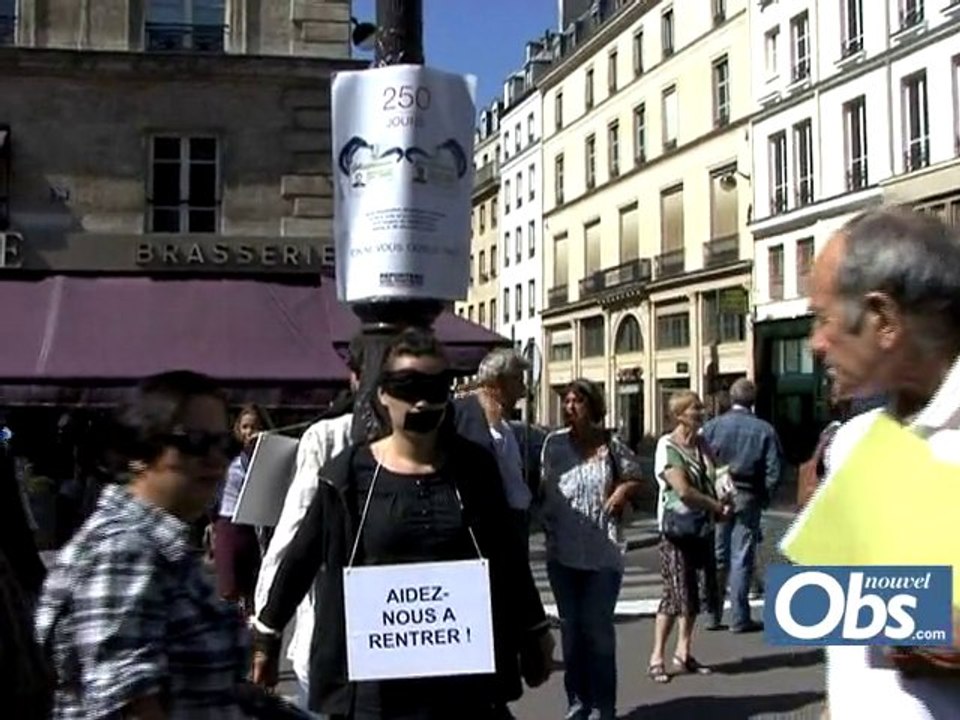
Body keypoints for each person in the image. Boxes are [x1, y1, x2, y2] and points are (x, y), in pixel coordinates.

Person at [251, 328, 554, 720]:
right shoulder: (346, 476)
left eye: (436, 386)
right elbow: (300, 559)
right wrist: (267, 635)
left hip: (463, 684)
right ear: (383, 395)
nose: (423, 400)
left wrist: (534, 631)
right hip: (376, 690)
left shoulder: (475, 468)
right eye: (408, 387)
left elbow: (508, 557)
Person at [808, 207, 960, 718]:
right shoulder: (853, 441)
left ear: (884, 320)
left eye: (825, 319)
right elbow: (823, 616)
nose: (816, 344)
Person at [35, 370, 250, 718]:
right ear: (140, 452)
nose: (216, 460)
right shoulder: (123, 550)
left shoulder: (165, 549)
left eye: (224, 444)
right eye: (194, 442)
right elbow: (129, 705)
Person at [254, 336, 364, 718]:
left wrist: (266, 630)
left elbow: (293, 534)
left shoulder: (329, 435)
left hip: (339, 626)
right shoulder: (329, 435)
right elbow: (295, 536)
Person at [539, 379, 644, 720]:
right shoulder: (552, 445)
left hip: (603, 552)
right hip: (562, 552)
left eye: (577, 401)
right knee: (571, 631)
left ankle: (604, 705)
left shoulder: (611, 444)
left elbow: (636, 476)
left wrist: (621, 491)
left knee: (597, 631)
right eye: (567, 401)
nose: (570, 407)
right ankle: (577, 702)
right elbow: (541, 486)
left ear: (592, 406)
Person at [648, 391, 731, 684]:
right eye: (695, 408)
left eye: (700, 407)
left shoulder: (702, 443)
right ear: (680, 414)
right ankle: (657, 656)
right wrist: (714, 505)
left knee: (694, 592)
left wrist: (726, 497)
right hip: (677, 531)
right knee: (674, 593)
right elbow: (682, 489)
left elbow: (719, 474)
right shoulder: (667, 446)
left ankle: (684, 652)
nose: (701, 411)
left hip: (702, 528)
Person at [701, 378, 782, 632]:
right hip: (748, 495)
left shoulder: (712, 427)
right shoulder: (764, 430)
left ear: (731, 399)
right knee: (741, 556)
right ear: (753, 401)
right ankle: (739, 616)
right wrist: (766, 495)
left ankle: (713, 614)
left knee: (717, 554)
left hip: (718, 495)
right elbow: (774, 469)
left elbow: (701, 462)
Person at [453, 348, 535, 558]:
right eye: (518, 380)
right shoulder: (462, 415)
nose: (523, 390)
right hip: (483, 535)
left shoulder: (506, 426)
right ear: (499, 382)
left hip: (514, 528)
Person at [213, 403, 272, 613]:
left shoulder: (268, 460)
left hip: (255, 527)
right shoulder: (230, 458)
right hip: (229, 525)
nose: (250, 432)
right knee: (228, 587)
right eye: (245, 427)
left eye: (255, 427)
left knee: (254, 588)